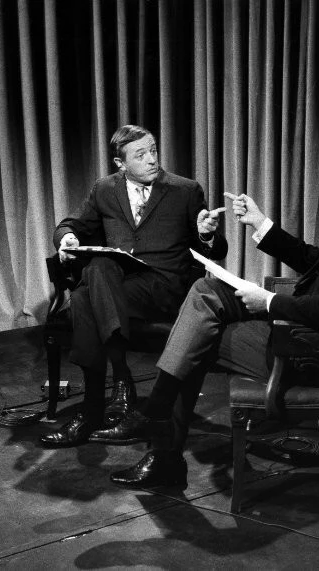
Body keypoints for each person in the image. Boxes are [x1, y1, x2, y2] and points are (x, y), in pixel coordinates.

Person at [89, 138, 319, 489]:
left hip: (315, 355)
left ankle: (161, 437)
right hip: (309, 332)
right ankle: (159, 422)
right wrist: (261, 224)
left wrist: (268, 301)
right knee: (207, 290)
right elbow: (317, 262)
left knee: (196, 336)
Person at [40, 124, 228, 447]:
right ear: (121, 163)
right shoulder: (105, 189)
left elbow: (217, 250)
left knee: (86, 294)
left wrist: (206, 233)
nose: (151, 159)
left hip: (164, 286)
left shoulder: (185, 190)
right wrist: (67, 237)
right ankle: (113, 383)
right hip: (121, 285)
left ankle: (97, 403)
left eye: (152, 150)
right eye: (140, 155)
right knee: (95, 275)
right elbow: (70, 224)